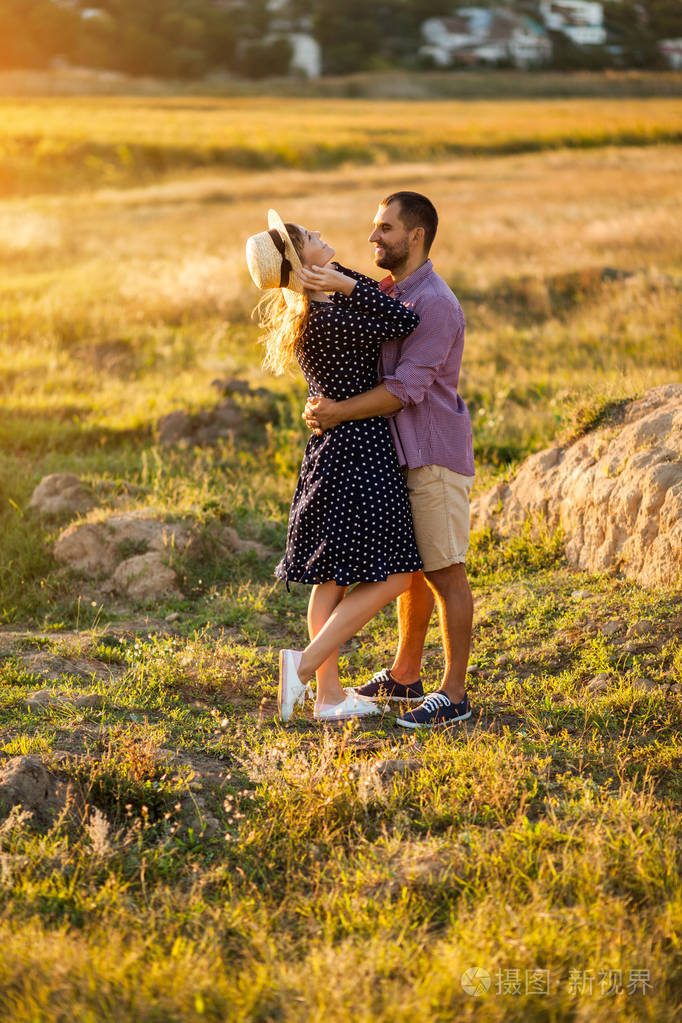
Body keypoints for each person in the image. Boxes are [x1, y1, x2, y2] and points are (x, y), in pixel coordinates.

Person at [304, 191, 475, 729]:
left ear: (416, 236)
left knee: (445, 572)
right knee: (414, 570)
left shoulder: (436, 304)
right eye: (375, 227)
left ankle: (454, 695)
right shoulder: (389, 292)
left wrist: (335, 413)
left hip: (431, 454)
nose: (373, 237)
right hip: (389, 453)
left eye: (385, 229)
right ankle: (406, 674)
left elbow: (406, 390)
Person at [245, 209, 424, 723]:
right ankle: (304, 669)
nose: (326, 238)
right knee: (398, 575)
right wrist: (347, 282)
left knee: (333, 580)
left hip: (337, 452)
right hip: (358, 452)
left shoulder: (315, 314)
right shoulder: (332, 317)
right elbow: (403, 321)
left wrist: (341, 281)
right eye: (314, 239)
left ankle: (328, 697)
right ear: (305, 262)